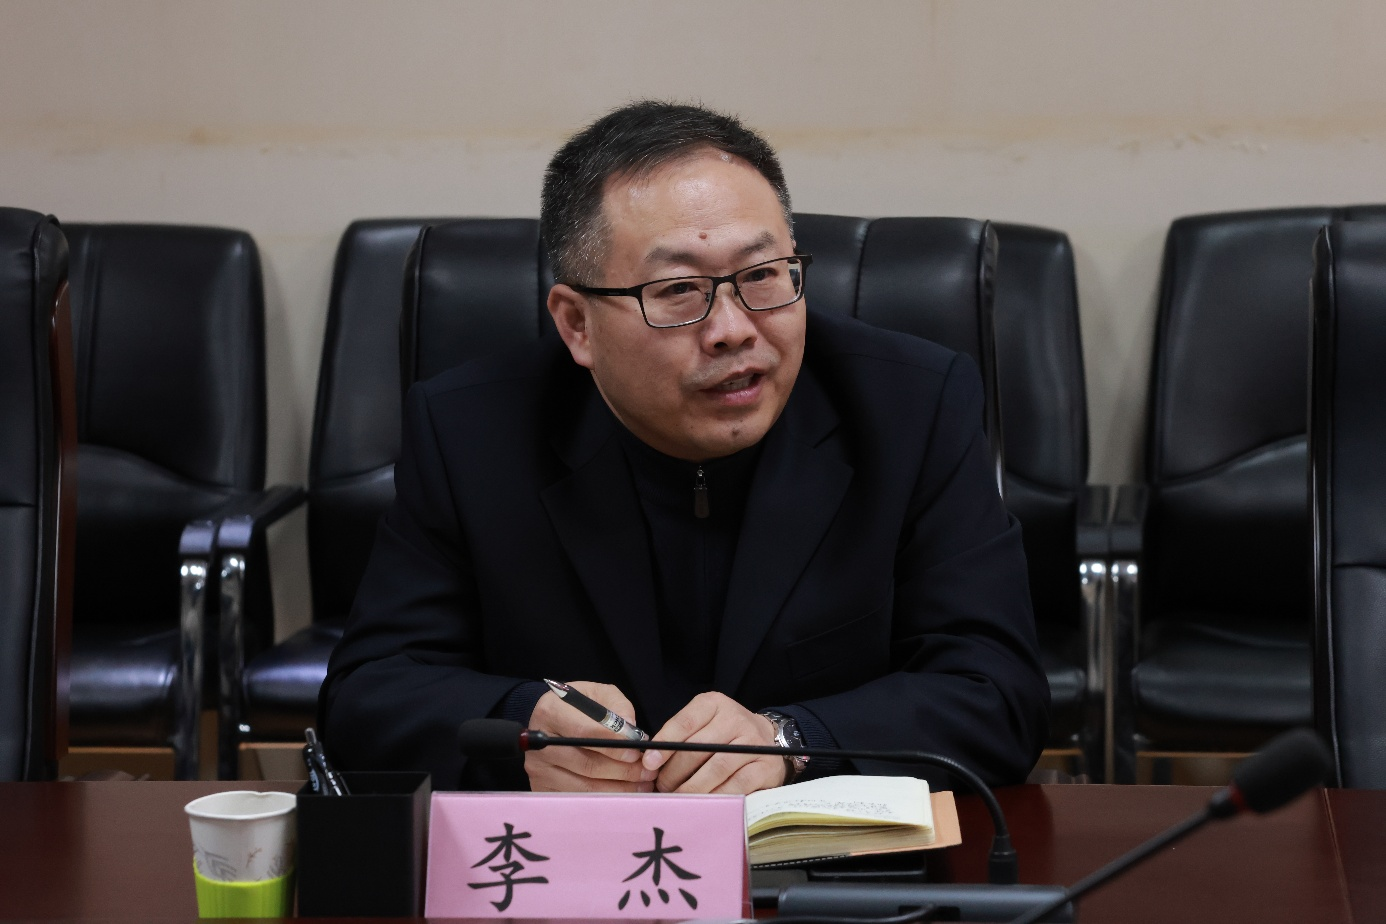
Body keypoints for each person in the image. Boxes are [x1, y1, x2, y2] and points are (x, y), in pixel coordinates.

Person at [320, 100, 1048, 795]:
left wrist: (793, 741)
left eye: (762, 276)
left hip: (823, 858)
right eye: (678, 291)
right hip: (582, 861)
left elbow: (998, 692)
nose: (732, 329)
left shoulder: (911, 407)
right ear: (576, 324)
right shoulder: (472, 431)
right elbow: (368, 696)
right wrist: (521, 725)